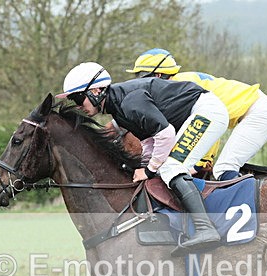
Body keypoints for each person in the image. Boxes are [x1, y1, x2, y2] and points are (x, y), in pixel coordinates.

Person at [58, 62, 230, 255]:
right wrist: (144, 167)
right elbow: (149, 142)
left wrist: (149, 170)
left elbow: (165, 134)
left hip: (207, 112)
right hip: (195, 114)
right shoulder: (118, 110)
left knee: (171, 167)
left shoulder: (129, 102)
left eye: (79, 98)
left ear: (96, 91)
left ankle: (205, 228)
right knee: (162, 167)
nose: (78, 106)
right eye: (73, 101)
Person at [127, 48, 267, 181]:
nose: (139, 82)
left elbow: (208, 123)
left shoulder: (178, 89)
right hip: (254, 110)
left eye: (142, 76)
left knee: (223, 168)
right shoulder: (177, 85)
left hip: (259, 112)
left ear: (159, 75)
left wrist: (202, 162)